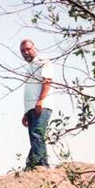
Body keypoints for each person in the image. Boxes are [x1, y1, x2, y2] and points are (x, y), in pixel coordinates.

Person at [20, 39, 53, 169]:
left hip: (41, 105)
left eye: (28, 49)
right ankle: (35, 163)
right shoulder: (30, 66)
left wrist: (40, 101)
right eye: (23, 51)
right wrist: (25, 113)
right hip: (31, 109)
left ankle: (40, 165)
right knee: (35, 137)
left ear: (34, 47)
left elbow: (47, 80)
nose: (26, 52)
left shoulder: (42, 60)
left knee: (37, 134)